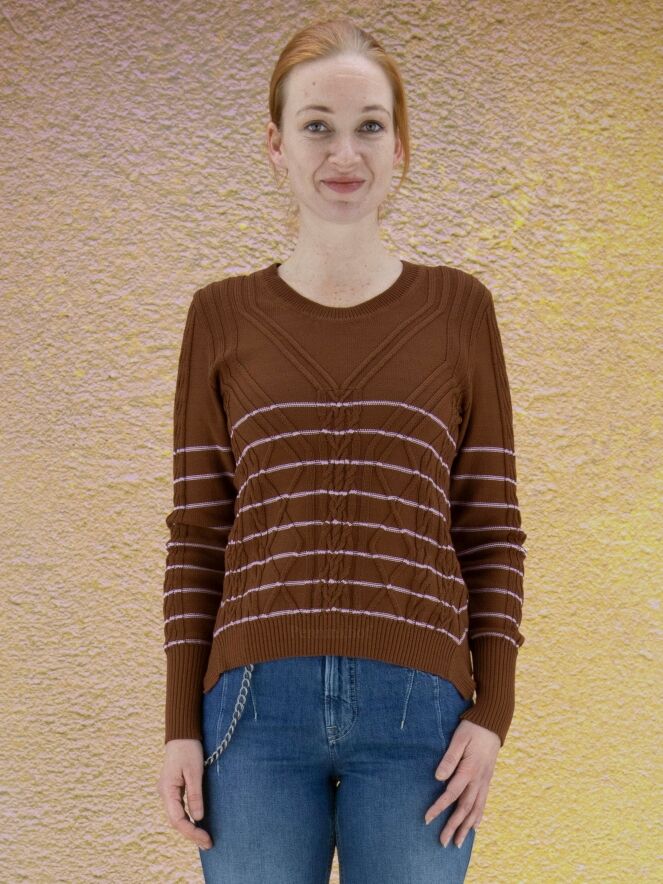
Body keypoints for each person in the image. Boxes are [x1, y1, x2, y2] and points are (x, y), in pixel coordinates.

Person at [156, 17, 527, 884]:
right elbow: (198, 536)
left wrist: (493, 712)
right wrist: (179, 727)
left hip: (421, 716)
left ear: (399, 148)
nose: (343, 152)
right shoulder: (220, 317)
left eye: (368, 125)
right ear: (275, 145)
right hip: (249, 714)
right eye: (316, 125)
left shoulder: (458, 312)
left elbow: (490, 530)